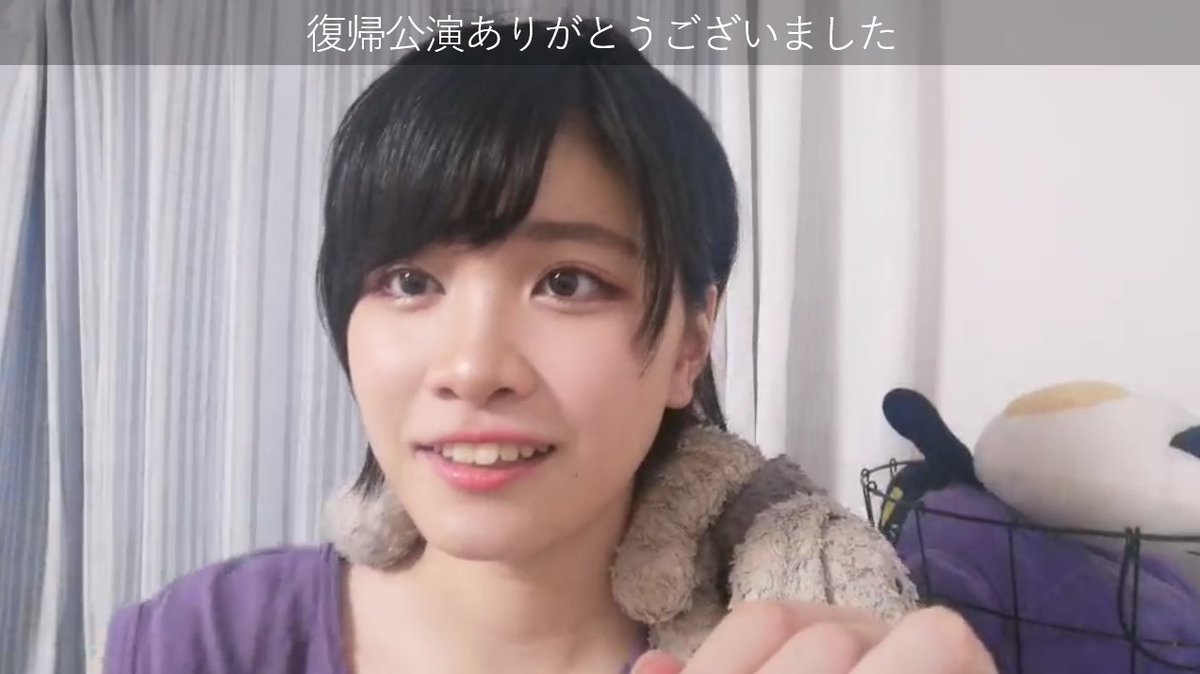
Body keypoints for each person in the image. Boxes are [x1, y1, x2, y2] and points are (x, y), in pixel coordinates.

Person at [103, 19, 997, 674]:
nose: (473, 368)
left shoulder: (785, 652)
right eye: (409, 282)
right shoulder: (204, 641)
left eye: (567, 283)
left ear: (691, 340)